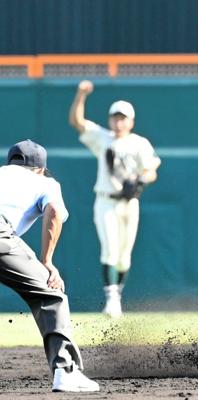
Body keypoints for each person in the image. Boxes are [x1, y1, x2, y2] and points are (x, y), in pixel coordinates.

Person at [0, 140, 100, 392]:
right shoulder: (45, 182)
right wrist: (47, 262)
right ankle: (66, 371)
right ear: (40, 168)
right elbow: (54, 211)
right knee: (51, 294)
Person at [69, 80, 161, 318]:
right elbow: (77, 122)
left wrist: (140, 181)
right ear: (110, 119)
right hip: (106, 200)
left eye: (123, 118)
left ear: (131, 121)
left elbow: (152, 170)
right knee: (109, 249)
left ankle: (116, 295)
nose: (119, 122)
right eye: (115, 117)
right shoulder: (103, 138)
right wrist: (80, 94)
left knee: (124, 256)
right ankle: (112, 299)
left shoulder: (140, 143)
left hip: (129, 203)